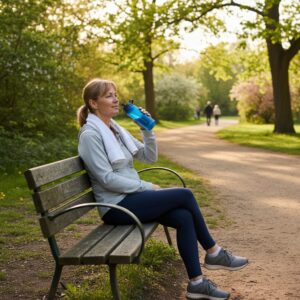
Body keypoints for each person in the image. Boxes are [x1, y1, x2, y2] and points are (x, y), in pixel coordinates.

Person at [77, 78, 248, 300]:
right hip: (115, 206)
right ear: (93, 103)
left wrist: (146, 129)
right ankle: (214, 252)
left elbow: (149, 156)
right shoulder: (91, 135)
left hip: (130, 198)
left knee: (184, 216)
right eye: (109, 95)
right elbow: (107, 179)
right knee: (185, 194)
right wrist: (146, 186)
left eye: (115, 94)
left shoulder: (115, 130)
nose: (116, 99)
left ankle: (196, 283)